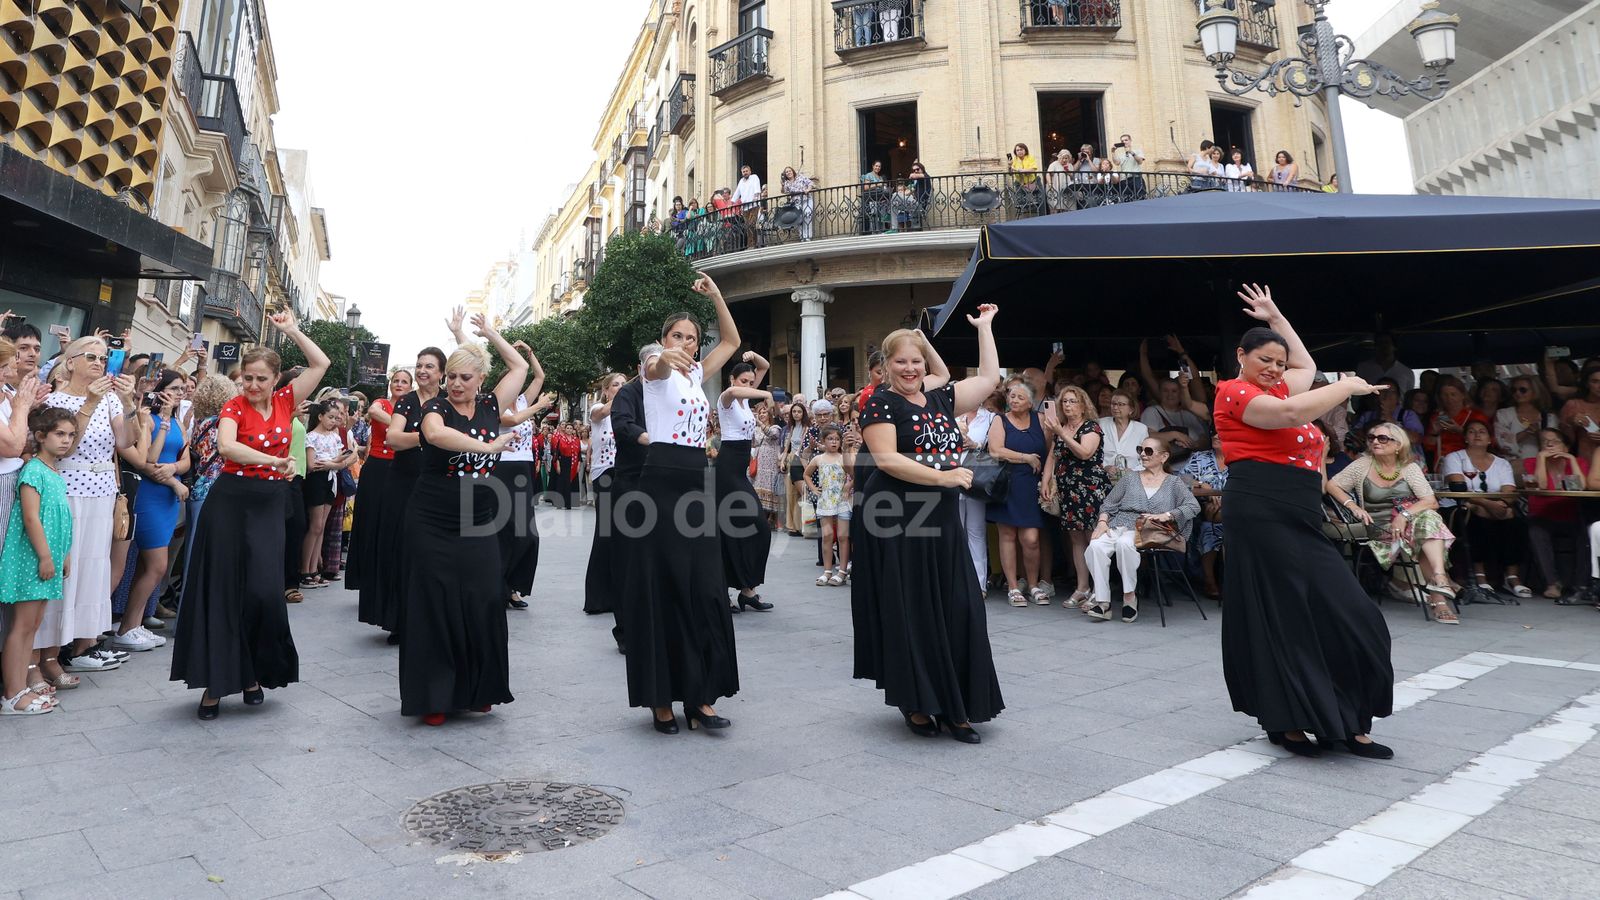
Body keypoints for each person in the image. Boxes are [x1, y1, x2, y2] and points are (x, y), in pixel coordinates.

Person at [1214, 283, 1394, 759]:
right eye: (1264, 361)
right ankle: (1287, 718)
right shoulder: (1234, 393)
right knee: (1284, 616)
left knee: (1351, 612)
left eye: (1278, 361)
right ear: (1241, 357)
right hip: (1259, 509)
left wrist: (1276, 316)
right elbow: (1292, 409)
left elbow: (1306, 368)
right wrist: (1347, 387)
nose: (1275, 368)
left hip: (1300, 513)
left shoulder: (1278, 383)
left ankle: (1350, 719)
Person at [170, 309, 330, 719]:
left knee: (262, 591)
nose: (253, 384)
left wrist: (292, 330)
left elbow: (321, 363)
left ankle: (252, 673)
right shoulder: (233, 408)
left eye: (261, 377)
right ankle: (214, 684)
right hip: (231, 500)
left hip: (269, 503)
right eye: (248, 377)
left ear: (276, 379)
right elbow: (227, 449)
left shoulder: (285, 401)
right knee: (222, 590)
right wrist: (274, 461)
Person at [855, 305, 1003, 743]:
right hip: (903, 520)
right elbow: (886, 459)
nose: (910, 367)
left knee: (958, 608)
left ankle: (958, 706)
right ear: (885, 366)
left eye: (916, 360)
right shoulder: (880, 402)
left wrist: (985, 329)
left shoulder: (939, 396)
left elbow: (990, 379)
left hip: (942, 520)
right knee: (915, 611)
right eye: (900, 360)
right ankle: (918, 702)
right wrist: (943, 476)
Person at [622, 273, 742, 735]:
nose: (686, 344)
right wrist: (661, 357)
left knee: (706, 588)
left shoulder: (696, 372)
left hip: (697, 480)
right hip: (661, 481)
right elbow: (655, 368)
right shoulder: (656, 371)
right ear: (664, 339)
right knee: (664, 587)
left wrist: (715, 297)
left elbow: (731, 339)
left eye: (692, 338)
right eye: (678, 336)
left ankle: (700, 696)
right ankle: (661, 700)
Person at [397, 315, 524, 725]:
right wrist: (487, 447)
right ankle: (434, 696)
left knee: (483, 597)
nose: (455, 384)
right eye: (451, 376)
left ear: (482, 378)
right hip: (432, 516)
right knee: (434, 601)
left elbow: (520, 368)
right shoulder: (434, 407)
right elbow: (435, 436)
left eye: (465, 377)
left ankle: (477, 689)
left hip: (479, 518)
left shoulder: (491, 404)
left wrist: (490, 335)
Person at [38, 337, 137, 678]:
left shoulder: (111, 399)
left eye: (104, 357)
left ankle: (83, 644)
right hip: (69, 489)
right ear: (70, 362)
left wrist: (129, 403)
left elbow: (126, 442)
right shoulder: (55, 399)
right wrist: (90, 403)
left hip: (102, 489)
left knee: (93, 570)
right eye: (91, 356)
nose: (99, 362)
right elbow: (65, 447)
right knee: (68, 569)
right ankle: (49, 653)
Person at [1326, 422, 1459, 621]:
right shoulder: (1363, 464)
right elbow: (1332, 485)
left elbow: (1430, 501)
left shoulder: (1409, 467)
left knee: (1427, 522)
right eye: (1372, 438)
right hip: (1378, 527)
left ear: (1398, 445)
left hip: (1411, 523)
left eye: (1383, 438)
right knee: (1427, 529)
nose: (1375, 442)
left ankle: (1439, 582)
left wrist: (1403, 517)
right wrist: (1353, 506)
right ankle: (1440, 591)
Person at [0, 407, 75, 715]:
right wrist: (45, 556)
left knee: (32, 625)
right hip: (31, 561)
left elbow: (61, 519)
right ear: (41, 436)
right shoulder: (33, 471)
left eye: (71, 435)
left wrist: (64, 554)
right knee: (22, 626)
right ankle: (13, 694)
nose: (66, 441)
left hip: (48, 560)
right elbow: (31, 517)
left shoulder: (53, 472)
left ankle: (21, 688)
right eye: (59, 434)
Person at [109, 369, 190, 651]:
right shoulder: (148, 418)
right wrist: (171, 480)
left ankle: (136, 622)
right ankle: (127, 626)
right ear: (161, 391)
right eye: (176, 388)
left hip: (168, 498)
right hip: (150, 495)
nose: (181, 393)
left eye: (183, 389)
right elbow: (148, 460)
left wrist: (174, 469)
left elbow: (186, 459)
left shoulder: (179, 421)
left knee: (148, 565)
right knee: (157, 566)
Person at [369, 344, 445, 642]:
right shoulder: (406, 402)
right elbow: (393, 438)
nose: (423, 370)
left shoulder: (448, 402)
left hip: (437, 484)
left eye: (429, 366)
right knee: (401, 550)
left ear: (441, 373)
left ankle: (432, 619)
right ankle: (399, 619)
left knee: (432, 554)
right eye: (420, 365)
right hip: (403, 483)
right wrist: (429, 436)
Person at [1085, 437, 1200, 622]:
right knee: (1095, 546)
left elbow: (1193, 507)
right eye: (1141, 450)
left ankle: (1129, 597)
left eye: (1148, 451)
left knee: (1124, 544)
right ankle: (1102, 602)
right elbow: (1109, 504)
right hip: (1120, 523)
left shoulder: (1174, 483)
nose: (1142, 455)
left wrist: (1168, 515)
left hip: (1148, 529)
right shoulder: (1130, 478)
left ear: (1164, 457)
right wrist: (1102, 522)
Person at [1041, 385, 1113, 610]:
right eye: (1065, 402)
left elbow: (1085, 452)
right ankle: (1082, 587)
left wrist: (1061, 434)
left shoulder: (1092, 427)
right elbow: (1053, 456)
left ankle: (1099, 588)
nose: (1068, 406)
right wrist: (1046, 480)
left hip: (1090, 488)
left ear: (1083, 405)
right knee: (1076, 539)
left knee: (1094, 539)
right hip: (1067, 489)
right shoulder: (1061, 427)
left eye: (1073, 401)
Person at [1441, 420, 1529, 598]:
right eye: (1472, 431)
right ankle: (1480, 576)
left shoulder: (1502, 463)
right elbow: (1459, 487)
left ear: (1490, 439)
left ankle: (1512, 577)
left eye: (1482, 431)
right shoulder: (1454, 458)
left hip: (1495, 506)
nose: (1477, 434)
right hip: (1460, 506)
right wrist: (1488, 504)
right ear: (1465, 438)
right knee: (1477, 514)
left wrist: (1500, 505)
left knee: (1513, 516)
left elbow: (1508, 492)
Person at [717, 352, 776, 610]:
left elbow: (765, 366)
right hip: (727, 468)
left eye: (752, 382)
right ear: (732, 379)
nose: (749, 386)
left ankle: (747, 590)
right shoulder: (727, 399)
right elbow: (733, 391)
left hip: (738, 471)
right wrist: (765, 394)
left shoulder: (745, 399)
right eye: (744, 381)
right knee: (735, 528)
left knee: (754, 529)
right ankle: (724, 591)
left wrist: (754, 356)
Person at [349, 368, 410, 613]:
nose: (399, 384)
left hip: (399, 467)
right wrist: (403, 422)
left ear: (410, 386)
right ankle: (364, 578)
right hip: (376, 466)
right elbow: (374, 411)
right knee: (369, 521)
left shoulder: (412, 407)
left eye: (404, 381)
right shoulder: (382, 403)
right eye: (396, 380)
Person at [987, 380, 1048, 606]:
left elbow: (1050, 451)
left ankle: (1033, 584)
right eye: (1012, 396)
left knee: (1031, 538)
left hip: (1032, 484)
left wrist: (1048, 479)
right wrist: (1026, 457)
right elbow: (995, 450)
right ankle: (1013, 587)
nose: (1014, 400)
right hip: (1007, 482)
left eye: (1020, 397)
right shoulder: (999, 420)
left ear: (1030, 402)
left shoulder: (1040, 420)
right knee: (1008, 535)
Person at [496, 344, 548, 609]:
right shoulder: (498, 403)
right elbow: (511, 421)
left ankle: (513, 585)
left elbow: (539, 377)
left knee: (527, 534)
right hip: (502, 469)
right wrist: (539, 406)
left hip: (524, 469)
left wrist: (530, 354)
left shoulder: (522, 401)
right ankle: (501, 587)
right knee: (504, 531)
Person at [1526, 428, 1591, 600]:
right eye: (1544, 441)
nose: (1549, 444)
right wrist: (1541, 459)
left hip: (1570, 516)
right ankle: (1552, 583)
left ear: (1566, 446)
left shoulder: (1578, 462)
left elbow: (1582, 487)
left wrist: (1571, 459)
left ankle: (1581, 585)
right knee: (1536, 532)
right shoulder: (1532, 461)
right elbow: (1540, 486)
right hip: (1543, 515)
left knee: (1586, 534)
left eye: (1555, 441)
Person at [299, 399, 354, 588]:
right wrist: (334, 462)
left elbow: (340, 462)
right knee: (315, 526)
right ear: (320, 416)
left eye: (335, 418)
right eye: (330, 417)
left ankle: (314, 569)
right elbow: (311, 465)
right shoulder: (311, 436)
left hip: (332, 479)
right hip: (317, 481)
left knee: (321, 526)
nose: (333, 421)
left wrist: (333, 462)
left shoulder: (336, 436)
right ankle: (305, 570)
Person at [956, 388, 1002, 592]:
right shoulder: (951, 414)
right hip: (951, 475)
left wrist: (975, 444)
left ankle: (978, 584)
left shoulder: (991, 418)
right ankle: (955, 582)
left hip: (977, 478)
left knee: (976, 531)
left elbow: (995, 446)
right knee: (955, 531)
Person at [804, 424, 852, 587]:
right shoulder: (818, 459)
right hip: (825, 501)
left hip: (842, 501)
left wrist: (848, 486)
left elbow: (854, 474)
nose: (834, 442)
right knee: (827, 536)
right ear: (823, 441)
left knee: (843, 536)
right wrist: (813, 489)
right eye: (830, 439)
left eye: (837, 439)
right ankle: (827, 571)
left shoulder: (843, 457)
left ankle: (843, 571)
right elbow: (807, 474)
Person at [1180, 445, 1230, 599]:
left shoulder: (1241, 458)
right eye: (1213, 431)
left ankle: (1211, 580)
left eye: (1219, 431)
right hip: (1203, 509)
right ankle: (1213, 579)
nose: (1215, 434)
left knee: (1215, 522)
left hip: (1237, 508)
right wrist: (1200, 484)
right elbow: (1180, 479)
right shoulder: (1200, 457)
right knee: (1211, 522)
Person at [1495, 375, 1556, 462]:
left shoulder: (1549, 418)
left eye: (1523, 390)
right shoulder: (1503, 414)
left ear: (1535, 392)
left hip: (1540, 466)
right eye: (1513, 390)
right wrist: (1526, 432)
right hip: (1512, 467)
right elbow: (1502, 444)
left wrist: (1539, 435)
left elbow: (1555, 445)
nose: (1517, 393)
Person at [1427, 379, 1489, 462]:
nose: (1449, 398)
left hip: (1470, 463)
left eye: (1453, 394)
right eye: (1445, 395)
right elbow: (1428, 447)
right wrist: (1434, 433)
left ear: (1463, 395)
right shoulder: (1438, 416)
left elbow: (1489, 441)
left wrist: (1460, 431)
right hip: (1442, 463)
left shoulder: (1476, 416)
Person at [1097, 390, 1149, 478]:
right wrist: (1106, 466)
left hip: (1132, 479)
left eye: (1120, 404)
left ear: (1131, 409)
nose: (1115, 407)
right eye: (1113, 404)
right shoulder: (1101, 424)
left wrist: (1133, 471)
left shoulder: (1141, 429)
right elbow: (1093, 453)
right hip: (1103, 478)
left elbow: (1146, 458)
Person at [752, 402, 784, 529]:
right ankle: (760, 518)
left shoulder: (776, 427)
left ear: (769, 414)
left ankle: (771, 518)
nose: (761, 415)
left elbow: (772, 434)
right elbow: (753, 443)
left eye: (764, 412)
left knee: (770, 487)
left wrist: (758, 423)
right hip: (759, 461)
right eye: (759, 413)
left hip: (771, 462)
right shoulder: (756, 429)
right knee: (758, 487)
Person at [1559, 365, 1600, 457]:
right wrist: (1570, 423)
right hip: (1586, 459)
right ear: (1586, 384)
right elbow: (1563, 442)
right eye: (1595, 381)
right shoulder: (1574, 405)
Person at [780, 167, 816, 241]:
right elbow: (783, 191)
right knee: (799, 219)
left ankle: (808, 236)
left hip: (806, 199)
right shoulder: (786, 183)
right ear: (785, 174)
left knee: (807, 214)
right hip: (796, 202)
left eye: (789, 171)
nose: (788, 173)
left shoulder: (800, 177)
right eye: (786, 172)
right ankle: (802, 236)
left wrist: (808, 189)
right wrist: (782, 185)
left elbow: (810, 183)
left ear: (793, 171)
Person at [1007, 143, 1043, 212]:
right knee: (1021, 203)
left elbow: (1033, 169)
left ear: (1025, 150)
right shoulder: (1014, 160)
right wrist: (1009, 166)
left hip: (1033, 182)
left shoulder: (1030, 158)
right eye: (1017, 150)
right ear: (1015, 152)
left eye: (1021, 149)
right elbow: (1010, 174)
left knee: (1040, 201)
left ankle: (1041, 216)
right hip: (1020, 184)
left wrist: (1022, 170)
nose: (1019, 151)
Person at [1114, 133, 1147, 201]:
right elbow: (1116, 163)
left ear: (1130, 140)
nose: (1124, 142)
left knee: (1140, 198)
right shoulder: (1120, 154)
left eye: (1126, 140)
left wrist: (1131, 152)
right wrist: (1113, 152)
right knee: (1126, 200)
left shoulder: (1137, 150)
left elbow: (1140, 161)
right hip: (1124, 180)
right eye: (1122, 141)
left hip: (1136, 178)